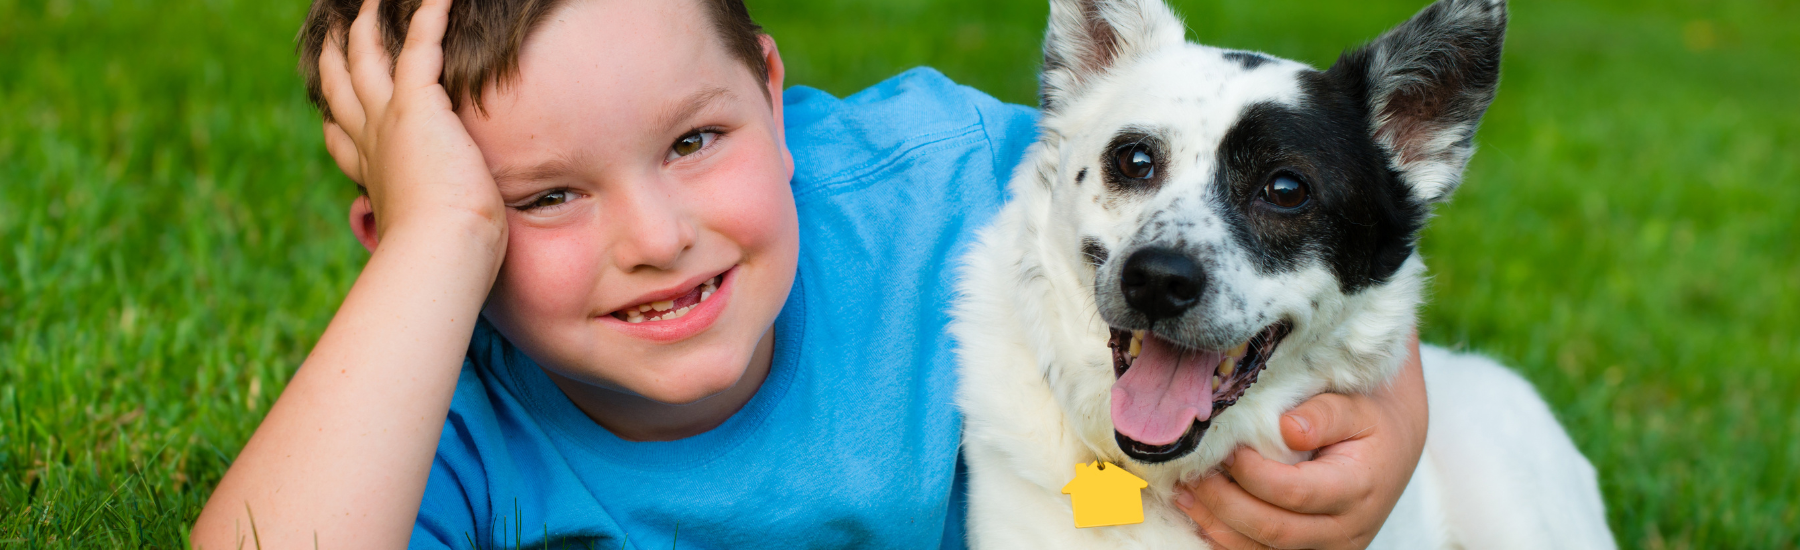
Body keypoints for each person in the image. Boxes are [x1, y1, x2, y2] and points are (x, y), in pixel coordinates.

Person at [191, 0, 1429, 548]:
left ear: (775, 95)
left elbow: (1273, 227)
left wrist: (1398, 417)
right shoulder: (444, 416)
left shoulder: (946, 181)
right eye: (540, 197)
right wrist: (436, 254)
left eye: (695, 140)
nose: (658, 235)